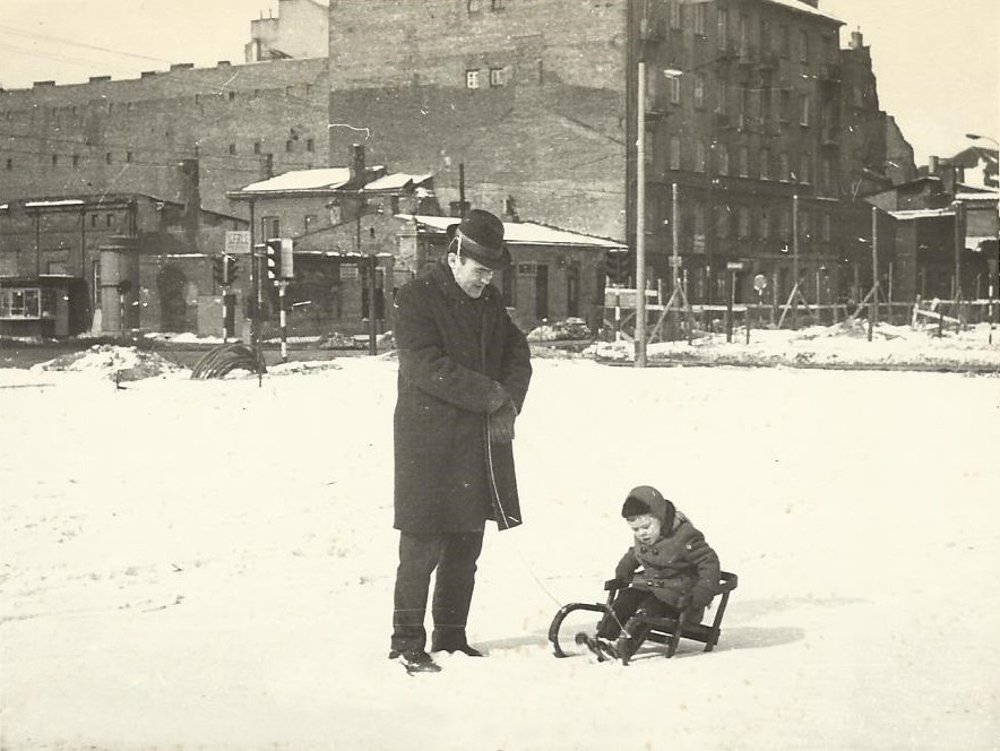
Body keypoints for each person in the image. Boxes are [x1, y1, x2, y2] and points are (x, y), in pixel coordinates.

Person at [389, 209, 532, 674]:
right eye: (479, 269)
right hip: (428, 447)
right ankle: (407, 642)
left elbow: (517, 353)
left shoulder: (487, 301)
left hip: (475, 443)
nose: (485, 279)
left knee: (465, 547)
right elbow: (424, 364)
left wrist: (508, 400)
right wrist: (489, 395)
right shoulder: (415, 298)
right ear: (454, 256)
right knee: (421, 548)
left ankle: (451, 637)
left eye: (492, 271)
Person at [579, 485, 721, 662]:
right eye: (635, 530)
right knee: (626, 598)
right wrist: (623, 573)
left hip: (677, 600)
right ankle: (604, 638)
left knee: (647, 611)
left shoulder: (685, 536)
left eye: (646, 527)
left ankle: (624, 647)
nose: (641, 533)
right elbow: (635, 552)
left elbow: (709, 563)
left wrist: (701, 594)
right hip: (650, 587)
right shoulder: (645, 536)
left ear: (660, 517)